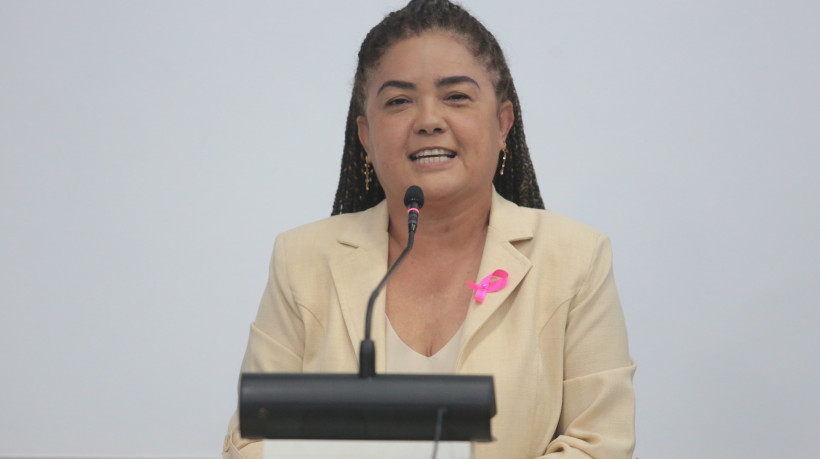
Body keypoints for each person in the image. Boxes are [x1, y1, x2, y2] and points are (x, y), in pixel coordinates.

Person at [223, 0, 636, 457]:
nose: (428, 121)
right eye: (399, 101)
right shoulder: (301, 260)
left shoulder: (576, 258)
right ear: (366, 137)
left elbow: (600, 445)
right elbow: (250, 440)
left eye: (456, 96)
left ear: (502, 123)